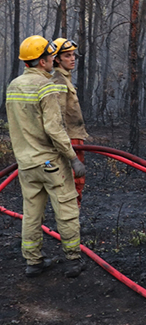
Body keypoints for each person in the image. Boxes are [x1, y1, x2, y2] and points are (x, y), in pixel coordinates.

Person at [5, 36, 87, 278]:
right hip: (50, 162)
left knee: (31, 212)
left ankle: (33, 261)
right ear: (42, 61)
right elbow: (54, 128)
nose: (53, 60)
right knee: (66, 208)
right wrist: (72, 158)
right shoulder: (47, 86)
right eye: (51, 57)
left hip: (26, 163)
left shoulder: (13, 85)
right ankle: (73, 260)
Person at [51, 38, 90, 207]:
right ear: (57, 59)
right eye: (67, 56)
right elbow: (58, 115)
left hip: (75, 137)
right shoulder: (59, 81)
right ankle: (71, 215)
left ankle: (73, 213)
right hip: (70, 139)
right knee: (75, 178)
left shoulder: (65, 79)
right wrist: (66, 144)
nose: (72, 59)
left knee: (76, 178)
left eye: (73, 55)